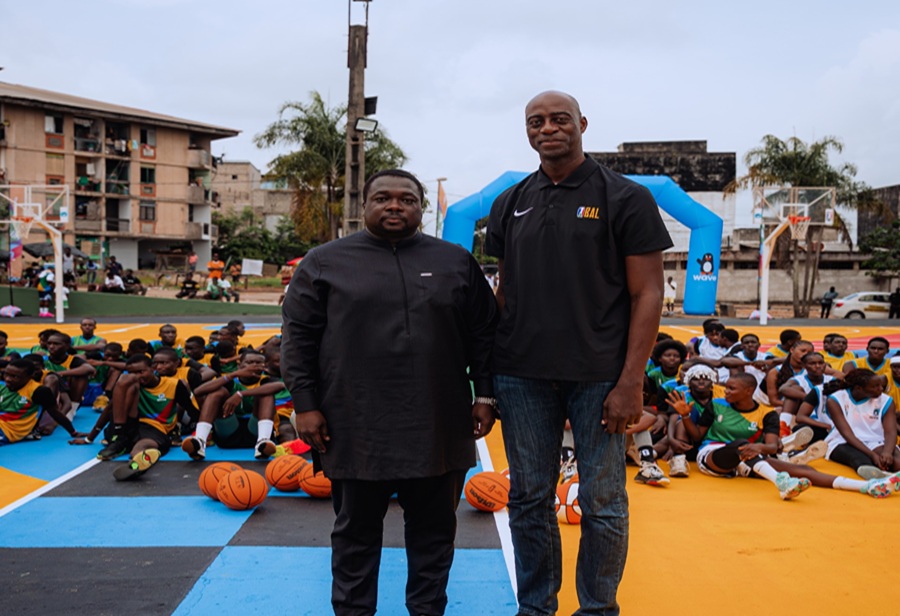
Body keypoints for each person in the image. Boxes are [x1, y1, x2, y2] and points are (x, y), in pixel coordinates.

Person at [484, 91, 672, 615]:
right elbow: (504, 290)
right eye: (536, 121)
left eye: (560, 119)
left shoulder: (625, 197)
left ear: (582, 124)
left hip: (600, 378)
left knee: (604, 501)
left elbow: (648, 293)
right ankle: (537, 606)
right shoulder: (511, 200)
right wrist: (486, 376)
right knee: (528, 499)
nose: (548, 128)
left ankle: (597, 608)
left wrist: (631, 381)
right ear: (527, 131)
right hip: (521, 376)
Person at [281, 168, 498, 616]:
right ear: (364, 207)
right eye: (383, 198)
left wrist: (486, 395)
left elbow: (484, 334)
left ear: (421, 208)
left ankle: (426, 611)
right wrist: (305, 404)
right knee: (355, 535)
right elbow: (298, 337)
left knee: (435, 535)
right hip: (354, 423)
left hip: (438, 422)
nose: (395, 206)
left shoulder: (455, 261)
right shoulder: (324, 262)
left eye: (407, 199)